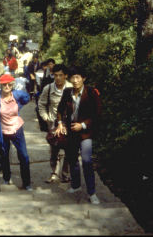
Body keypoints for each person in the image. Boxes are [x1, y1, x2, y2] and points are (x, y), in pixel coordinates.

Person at [55, 66, 102, 204]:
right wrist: (60, 123)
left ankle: (92, 192)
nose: (75, 81)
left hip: (86, 133)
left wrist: (82, 125)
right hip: (71, 132)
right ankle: (75, 185)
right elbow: (60, 109)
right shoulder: (67, 92)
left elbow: (97, 114)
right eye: (72, 78)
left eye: (78, 77)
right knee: (72, 159)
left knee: (87, 161)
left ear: (83, 78)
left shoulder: (92, 93)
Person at [0, 73, 33, 191]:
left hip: (17, 128)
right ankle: (6, 178)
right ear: (1, 85)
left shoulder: (16, 94)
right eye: (4, 84)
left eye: (9, 84)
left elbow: (27, 97)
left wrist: (19, 104)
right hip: (3, 130)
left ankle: (26, 183)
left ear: (12, 85)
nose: (7, 86)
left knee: (24, 156)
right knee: (4, 155)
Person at [37, 64, 73, 183]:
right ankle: (54, 173)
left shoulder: (71, 88)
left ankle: (65, 173)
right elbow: (41, 104)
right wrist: (46, 118)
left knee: (69, 149)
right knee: (54, 150)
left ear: (66, 76)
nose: (58, 78)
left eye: (61, 75)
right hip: (53, 123)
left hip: (68, 124)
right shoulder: (48, 88)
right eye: (55, 75)